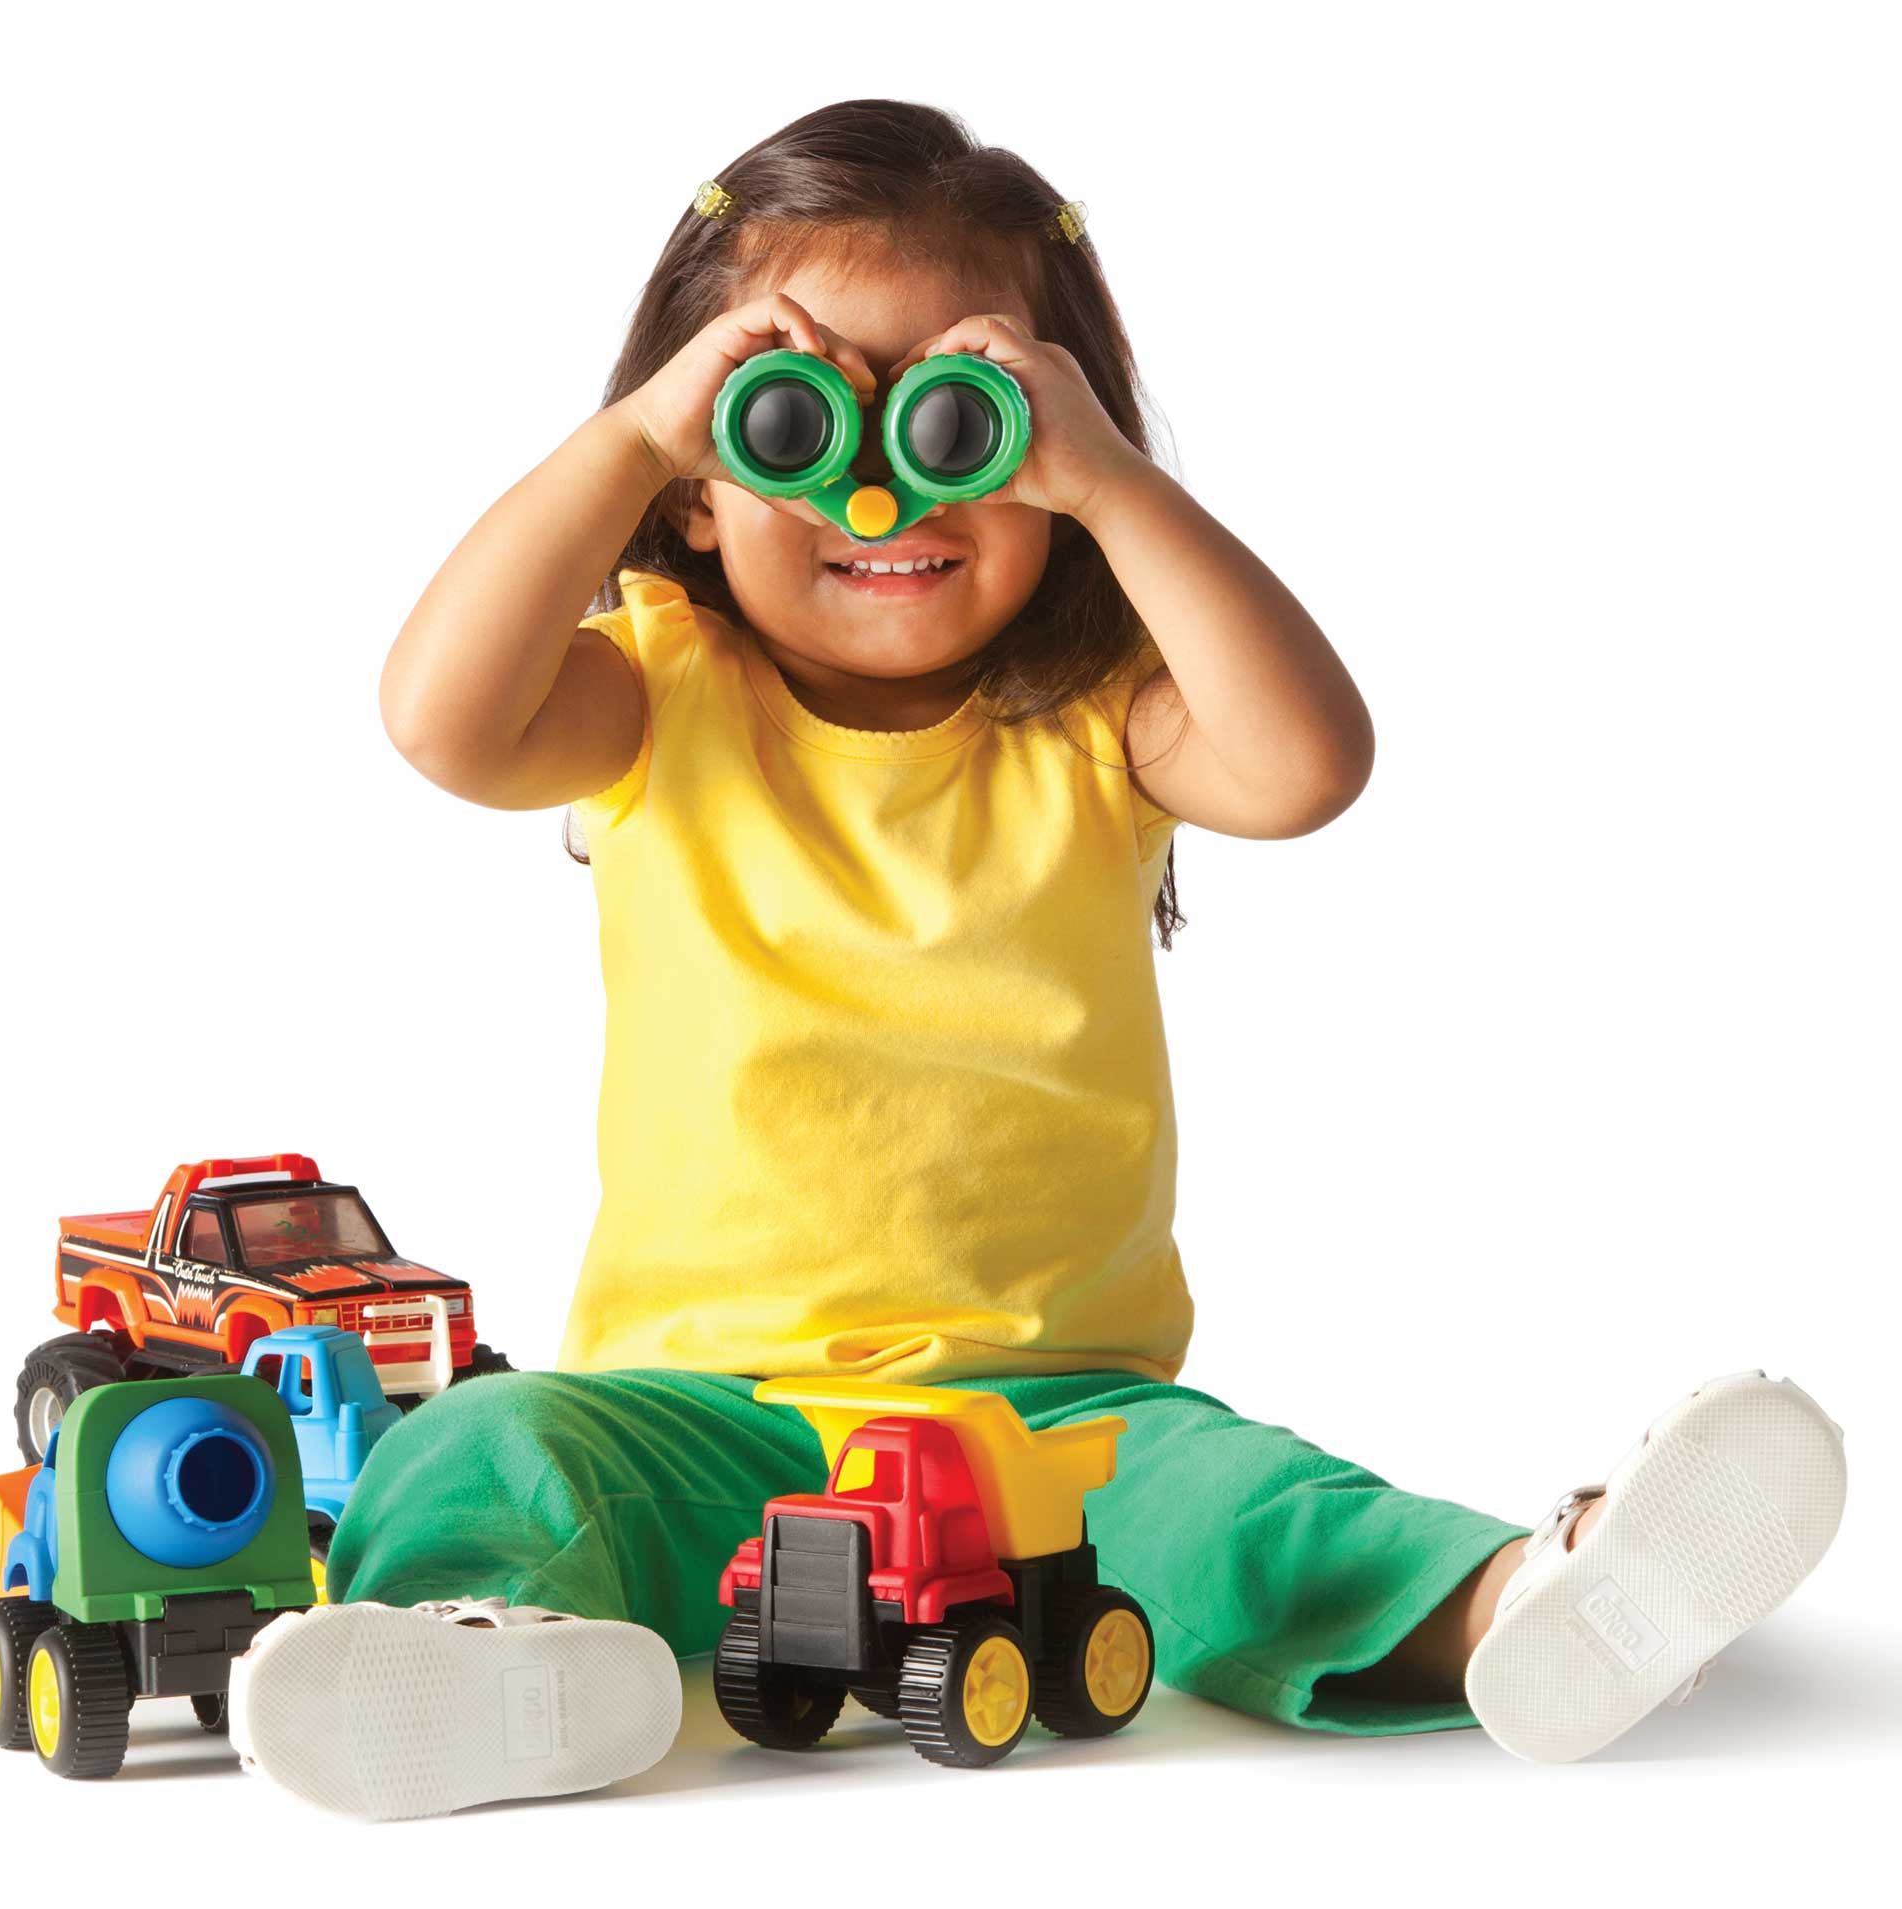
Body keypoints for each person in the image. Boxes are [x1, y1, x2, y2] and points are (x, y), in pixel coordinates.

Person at [226, 100, 1846, 1819]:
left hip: (1053, 1426)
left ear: (1050, 455)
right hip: (688, 1406)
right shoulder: (654, 692)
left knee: (1240, 1507)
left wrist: (1107, 479)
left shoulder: (1091, 731)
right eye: (796, 417)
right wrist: (632, 432)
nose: (878, 484)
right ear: (705, 492)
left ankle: (1528, 1608)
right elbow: (439, 718)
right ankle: (491, 1653)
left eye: (961, 424)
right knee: (487, 1447)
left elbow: (1309, 765)